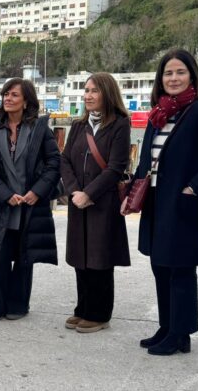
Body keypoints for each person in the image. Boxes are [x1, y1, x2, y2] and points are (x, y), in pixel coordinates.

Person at [122, 49, 198, 355]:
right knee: (160, 265)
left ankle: (180, 332)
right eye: (168, 73)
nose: (173, 78)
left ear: (192, 76)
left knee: (180, 268)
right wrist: (133, 193)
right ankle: (168, 326)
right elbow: (147, 159)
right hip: (156, 200)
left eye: (180, 72)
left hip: (182, 201)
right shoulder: (159, 113)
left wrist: (194, 187)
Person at [0, 78, 61, 321]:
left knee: (25, 256)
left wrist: (37, 192)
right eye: (5, 94)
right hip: (0, 204)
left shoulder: (40, 130)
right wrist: (5, 194)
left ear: (26, 101)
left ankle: (19, 304)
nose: (8, 99)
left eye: (14, 95)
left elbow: (54, 163)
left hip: (30, 204)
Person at [60, 73, 131, 333]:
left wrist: (89, 193)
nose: (87, 95)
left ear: (107, 93)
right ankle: (83, 308)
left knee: (100, 257)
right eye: (86, 90)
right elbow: (65, 159)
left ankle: (99, 313)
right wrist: (74, 191)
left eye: (94, 91)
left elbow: (115, 167)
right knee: (80, 255)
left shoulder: (120, 124)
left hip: (103, 202)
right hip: (77, 200)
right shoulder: (79, 125)